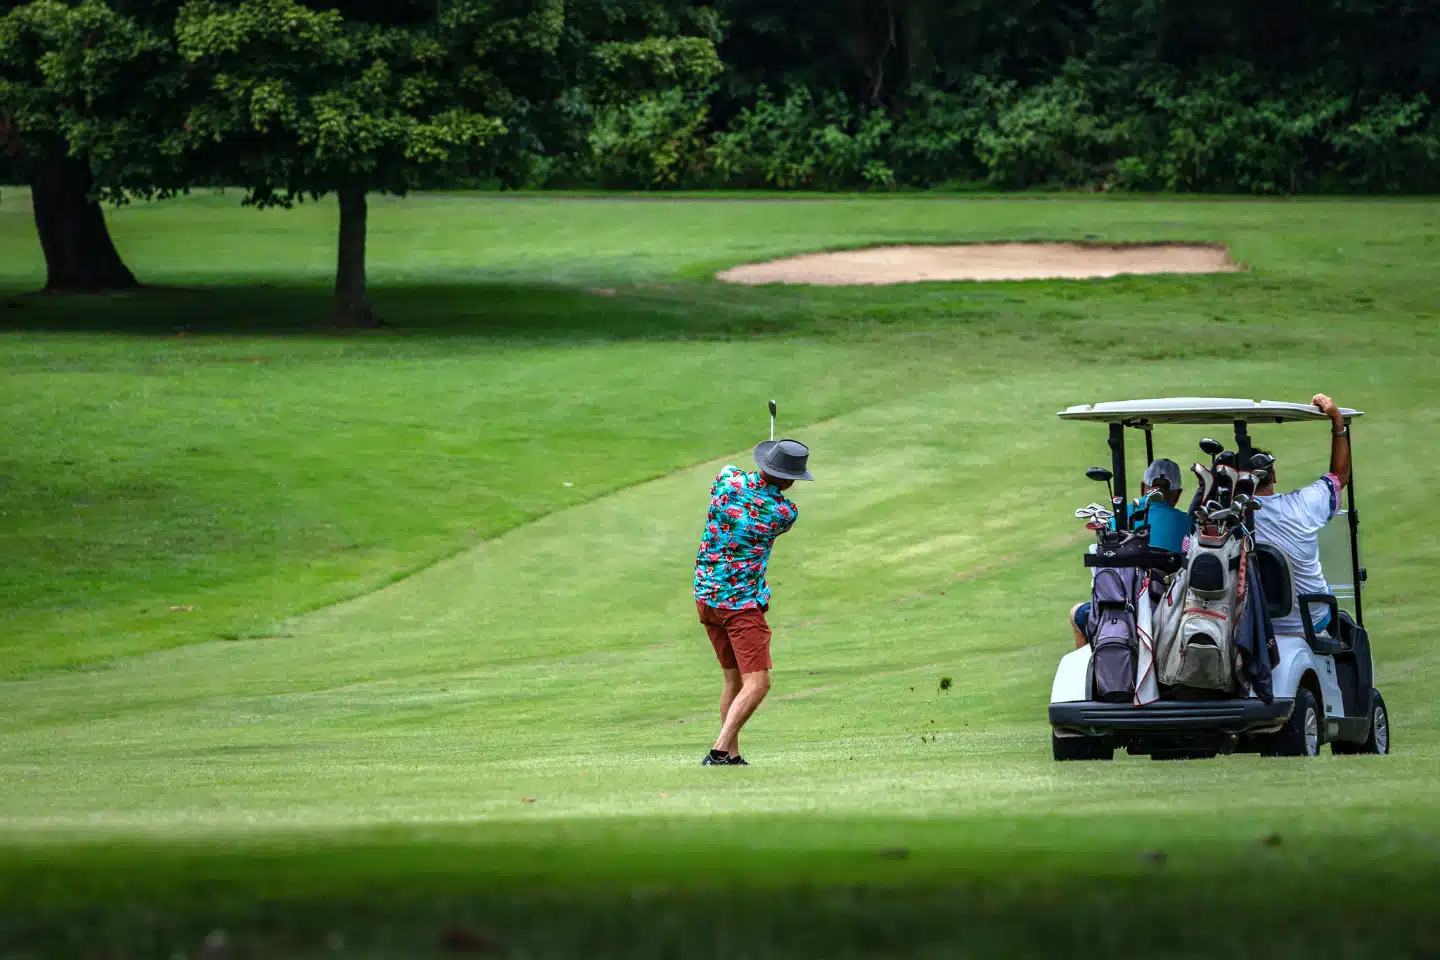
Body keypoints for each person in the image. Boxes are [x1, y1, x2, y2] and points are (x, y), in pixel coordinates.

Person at [694, 437, 813, 766]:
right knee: (758, 682)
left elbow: (738, 476)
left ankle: (732, 756)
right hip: (740, 605)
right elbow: (770, 503)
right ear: (790, 480)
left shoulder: (726, 479)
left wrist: (760, 473)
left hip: (706, 597)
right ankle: (718, 751)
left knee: (734, 680)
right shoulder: (784, 512)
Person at [1251, 393, 1351, 637]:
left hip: (1254, 625)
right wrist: (1338, 424)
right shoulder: (1303, 506)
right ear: (1272, 476)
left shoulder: (1229, 517)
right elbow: (1339, 477)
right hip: (1311, 618)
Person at [1067, 458, 1188, 650]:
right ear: (1177, 494)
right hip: (1169, 607)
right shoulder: (1188, 522)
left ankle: (1095, 667)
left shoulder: (1118, 517)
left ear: (1143, 488)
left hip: (1122, 606)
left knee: (1076, 614)